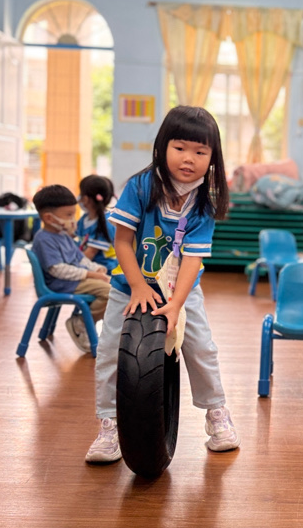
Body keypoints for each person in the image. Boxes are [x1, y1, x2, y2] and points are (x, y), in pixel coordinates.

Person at [85, 105, 240, 464]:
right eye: (180, 148)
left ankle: (216, 413)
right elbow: (122, 241)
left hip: (181, 290)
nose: (189, 158)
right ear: (162, 146)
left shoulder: (202, 203)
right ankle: (109, 426)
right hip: (129, 287)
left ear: (213, 158)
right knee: (109, 352)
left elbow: (193, 259)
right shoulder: (141, 186)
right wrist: (139, 286)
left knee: (201, 348)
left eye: (200, 152)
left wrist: (177, 303)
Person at [31, 184, 111, 353]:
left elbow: (80, 258)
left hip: (73, 281)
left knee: (114, 287)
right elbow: (58, 270)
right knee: (110, 292)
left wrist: (96, 268)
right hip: (62, 284)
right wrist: (91, 275)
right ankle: (81, 322)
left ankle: (87, 322)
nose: (73, 219)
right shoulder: (44, 239)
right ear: (49, 218)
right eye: (68, 215)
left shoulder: (63, 235)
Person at [77, 174, 117, 273]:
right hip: (89, 267)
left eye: (80, 193)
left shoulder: (105, 223)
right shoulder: (84, 218)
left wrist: (71, 266)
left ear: (85, 199)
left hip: (105, 271)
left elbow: (90, 254)